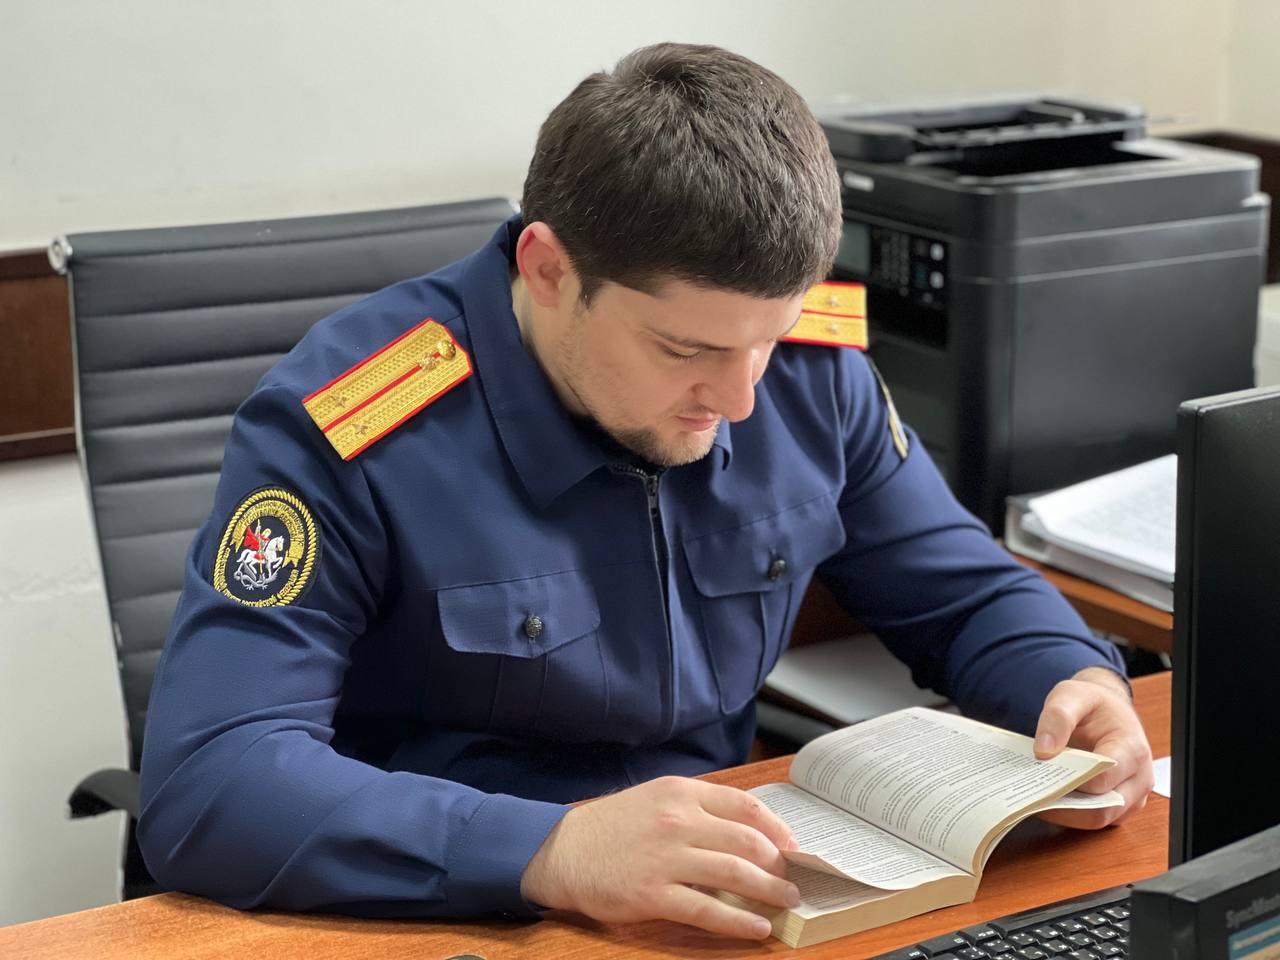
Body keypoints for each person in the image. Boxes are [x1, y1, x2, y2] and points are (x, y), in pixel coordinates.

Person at [137, 43, 1154, 942]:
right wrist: (552, 850)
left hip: (723, 900)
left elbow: (964, 594)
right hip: (455, 912)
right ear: (546, 269)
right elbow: (210, 781)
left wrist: (1072, 682)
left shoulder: (801, 371)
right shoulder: (353, 424)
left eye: (768, 338)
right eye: (685, 349)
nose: (741, 399)